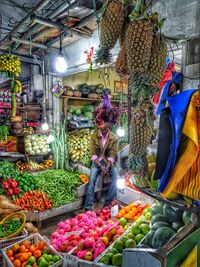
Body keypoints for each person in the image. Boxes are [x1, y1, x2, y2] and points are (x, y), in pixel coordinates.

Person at [84, 121, 119, 210]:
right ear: (98, 127)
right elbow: (93, 154)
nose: (102, 132)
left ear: (108, 127)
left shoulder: (114, 138)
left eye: (104, 130)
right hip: (97, 162)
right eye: (101, 129)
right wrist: (100, 167)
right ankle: (88, 207)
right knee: (91, 180)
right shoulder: (94, 136)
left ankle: (107, 204)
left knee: (115, 177)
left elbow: (112, 154)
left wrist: (106, 167)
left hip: (107, 163)